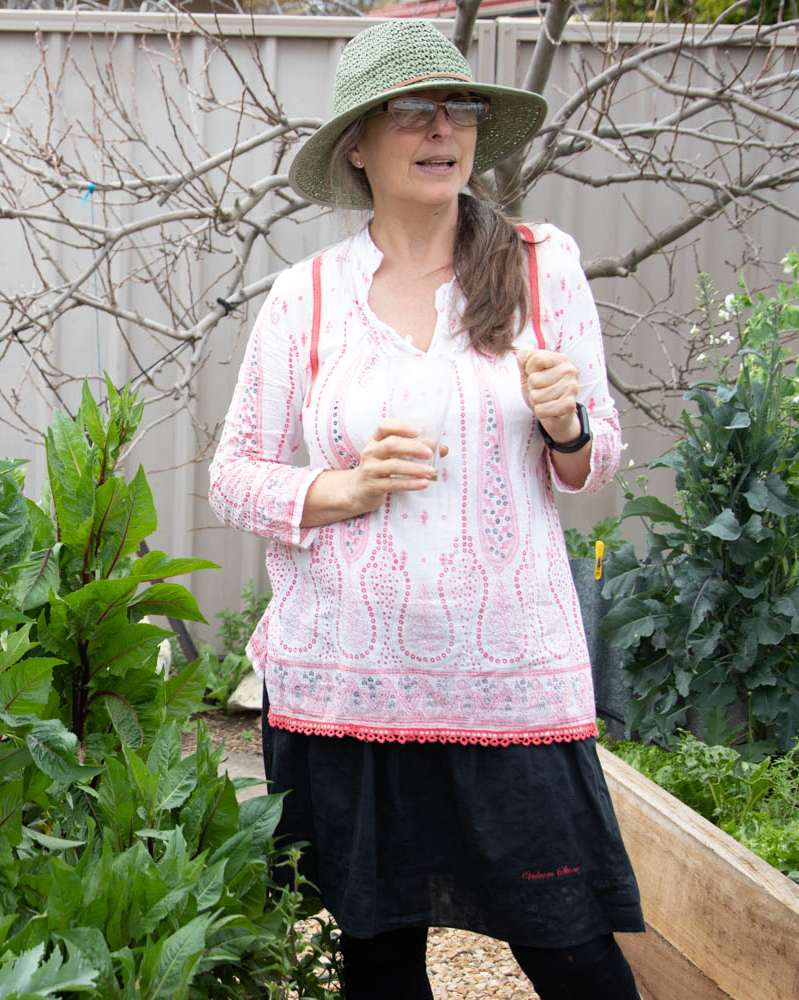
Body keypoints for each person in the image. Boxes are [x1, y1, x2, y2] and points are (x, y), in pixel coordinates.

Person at [207, 19, 644, 1000]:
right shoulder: (306, 299)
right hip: (349, 687)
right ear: (359, 142)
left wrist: (567, 423)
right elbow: (233, 473)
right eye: (414, 110)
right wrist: (342, 490)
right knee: (379, 959)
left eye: (460, 108)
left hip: (514, 685)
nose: (444, 127)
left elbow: (595, 457)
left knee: (574, 952)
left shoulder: (539, 266)